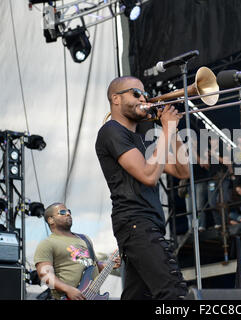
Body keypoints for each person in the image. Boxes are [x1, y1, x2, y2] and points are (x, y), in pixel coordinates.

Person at [95, 76, 190, 300]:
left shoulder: (139, 140)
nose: (143, 98)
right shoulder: (111, 131)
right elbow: (148, 176)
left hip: (144, 224)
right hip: (136, 222)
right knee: (173, 291)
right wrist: (166, 129)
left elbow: (182, 171)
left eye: (144, 94)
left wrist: (173, 131)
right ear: (116, 99)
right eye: (135, 93)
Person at [34, 203, 121, 300]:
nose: (68, 214)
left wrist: (108, 265)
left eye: (69, 211)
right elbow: (45, 276)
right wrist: (68, 289)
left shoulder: (85, 239)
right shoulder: (47, 243)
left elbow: (93, 266)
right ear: (51, 220)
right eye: (62, 212)